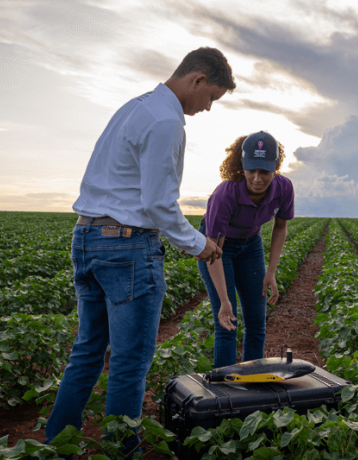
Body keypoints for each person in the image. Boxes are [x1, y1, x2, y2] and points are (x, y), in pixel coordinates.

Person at [45, 47, 235, 450]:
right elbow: (158, 204)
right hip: (127, 247)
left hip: (87, 237)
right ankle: (122, 451)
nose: (207, 108)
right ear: (198, 79)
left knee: (87, 352)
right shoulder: (166, 120)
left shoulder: (135, 107)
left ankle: (55, 448)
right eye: (211, 97)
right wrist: (198, 244)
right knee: (129, 362)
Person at [198, 131, 294, 368]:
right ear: (242, 166)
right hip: (218, 248)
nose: (257, 178)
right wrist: (224, 300)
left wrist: (271, 272)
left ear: (276, 168)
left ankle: (252, 382)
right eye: (251, 170)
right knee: (227, 322)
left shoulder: (284, 188)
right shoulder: (225, 195)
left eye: (265, 171)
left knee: (257, 323)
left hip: (251, 244)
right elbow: (213, 253)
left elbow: (280, 227)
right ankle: (226, 384)